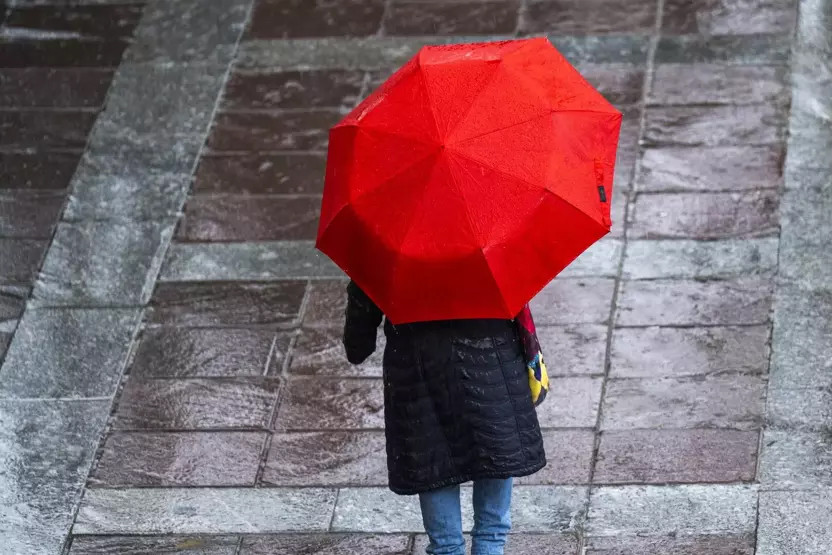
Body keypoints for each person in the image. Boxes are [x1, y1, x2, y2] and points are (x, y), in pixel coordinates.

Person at [342, 280, 547, 555]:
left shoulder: (385, 249)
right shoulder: (492, 241)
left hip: (418, 381)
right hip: (491, 370)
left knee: (444, 535)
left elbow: (358, 347)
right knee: (492, 530)